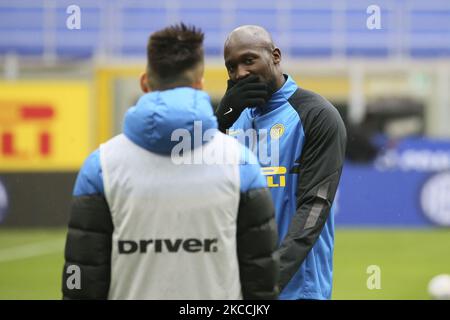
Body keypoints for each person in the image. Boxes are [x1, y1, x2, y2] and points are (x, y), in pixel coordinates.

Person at [62, 23, 279, 300]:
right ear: (200, 83)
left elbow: (81, 284)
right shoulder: (242, 165)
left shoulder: (100, 167)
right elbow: (260, 286)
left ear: (145, 83)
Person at [215, 25, 347, 300]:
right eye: (231, 67)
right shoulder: (233, 120)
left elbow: (314, 209)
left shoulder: (316, 115)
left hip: (296, 289)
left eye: (248, 60)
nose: (240, 73)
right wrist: (220, 118)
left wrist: (269, 281)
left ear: (275, 56)